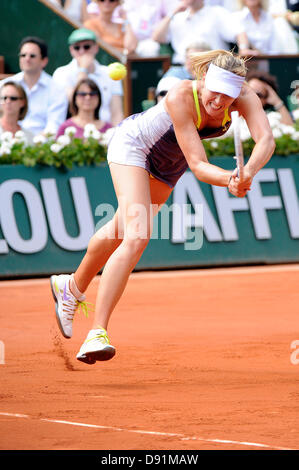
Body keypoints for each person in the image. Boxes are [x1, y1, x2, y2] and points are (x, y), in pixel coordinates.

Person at [50, 49, 275, 364]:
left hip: (169, 164)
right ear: (202, 80)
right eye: (216, 92)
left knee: (119, 228)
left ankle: (70, 286)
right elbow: (198, 165)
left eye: (229, 95)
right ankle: (97, 332)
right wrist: (230, 180)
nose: (222, 101)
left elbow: (266, 140)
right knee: (138, 234)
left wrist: (247, 172)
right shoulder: (180, 97)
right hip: (134, 147)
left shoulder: (243, 95)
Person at [52, 28, 124, 126]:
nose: (82, 51)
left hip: (107, 132)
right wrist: (83, 70)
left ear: (96, 48)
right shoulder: (61, 73)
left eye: (86, 47)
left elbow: (117, 113)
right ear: (71, 50)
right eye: (77, 48)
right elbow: (75, 103)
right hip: (75, 132)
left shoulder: (108, 72)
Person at [0, 36, 68, 136]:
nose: (27, 59)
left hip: (40, 147)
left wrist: (33, 143)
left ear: (44, 61)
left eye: (32, 56)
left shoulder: (56, 89)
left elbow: (54, 127)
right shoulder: (4, 85)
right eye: (23, 55)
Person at [152, 0, 236, 65]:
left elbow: (238, 34)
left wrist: (243, 47)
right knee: (165, 85)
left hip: (213, 66)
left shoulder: (218, 12)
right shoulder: (177, 16)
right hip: (182, 67)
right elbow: (157, 38)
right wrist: (173, 12)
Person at [234, 0, 298, 56]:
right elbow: (242, 48)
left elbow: (275, 48)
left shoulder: (268, 17)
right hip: (248, 63)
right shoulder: (237, 17)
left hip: (268, 61)